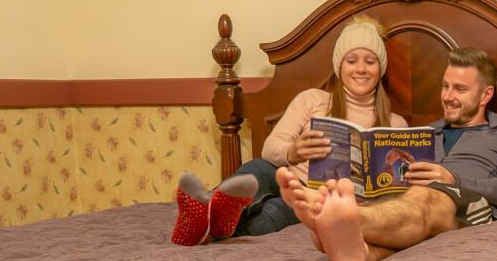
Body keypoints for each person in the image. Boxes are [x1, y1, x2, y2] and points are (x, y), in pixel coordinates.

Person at [277, 47, 497, 261]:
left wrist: (453, 178)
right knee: (404, 207)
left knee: (425, 197)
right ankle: (358, 253)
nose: (447, 96)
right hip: (410, 203)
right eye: (445, 86)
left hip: (468, 206)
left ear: (485, 95)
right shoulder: (422, 134)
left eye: (460, 89)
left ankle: (344, 217)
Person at [170, 16, 406, 246]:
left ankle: (205, 226)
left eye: (370, 61)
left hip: (313, 202)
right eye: (351, 60)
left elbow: (397, 194)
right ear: (339, 66)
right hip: (286, 178)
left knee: (271, 217)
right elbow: (270, 148)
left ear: (380, 68)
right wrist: (293, 152)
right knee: (258, 170)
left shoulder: (395, 125)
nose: (361, 69)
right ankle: (210, 205)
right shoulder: (312, 100)